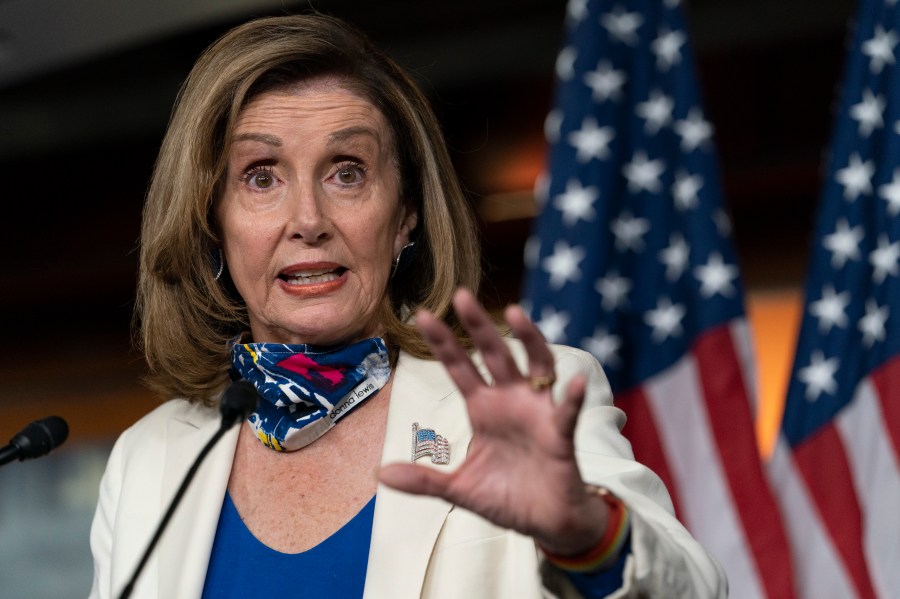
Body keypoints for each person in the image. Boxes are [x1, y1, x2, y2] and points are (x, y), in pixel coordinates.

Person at [89, 13, 727, 599]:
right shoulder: (149, 459)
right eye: (261, 176)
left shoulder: (531, 395)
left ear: (406, 217)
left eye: (347, 171)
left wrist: (587, 535)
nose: (308, 220)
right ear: (211, 222)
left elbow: (693, 588)